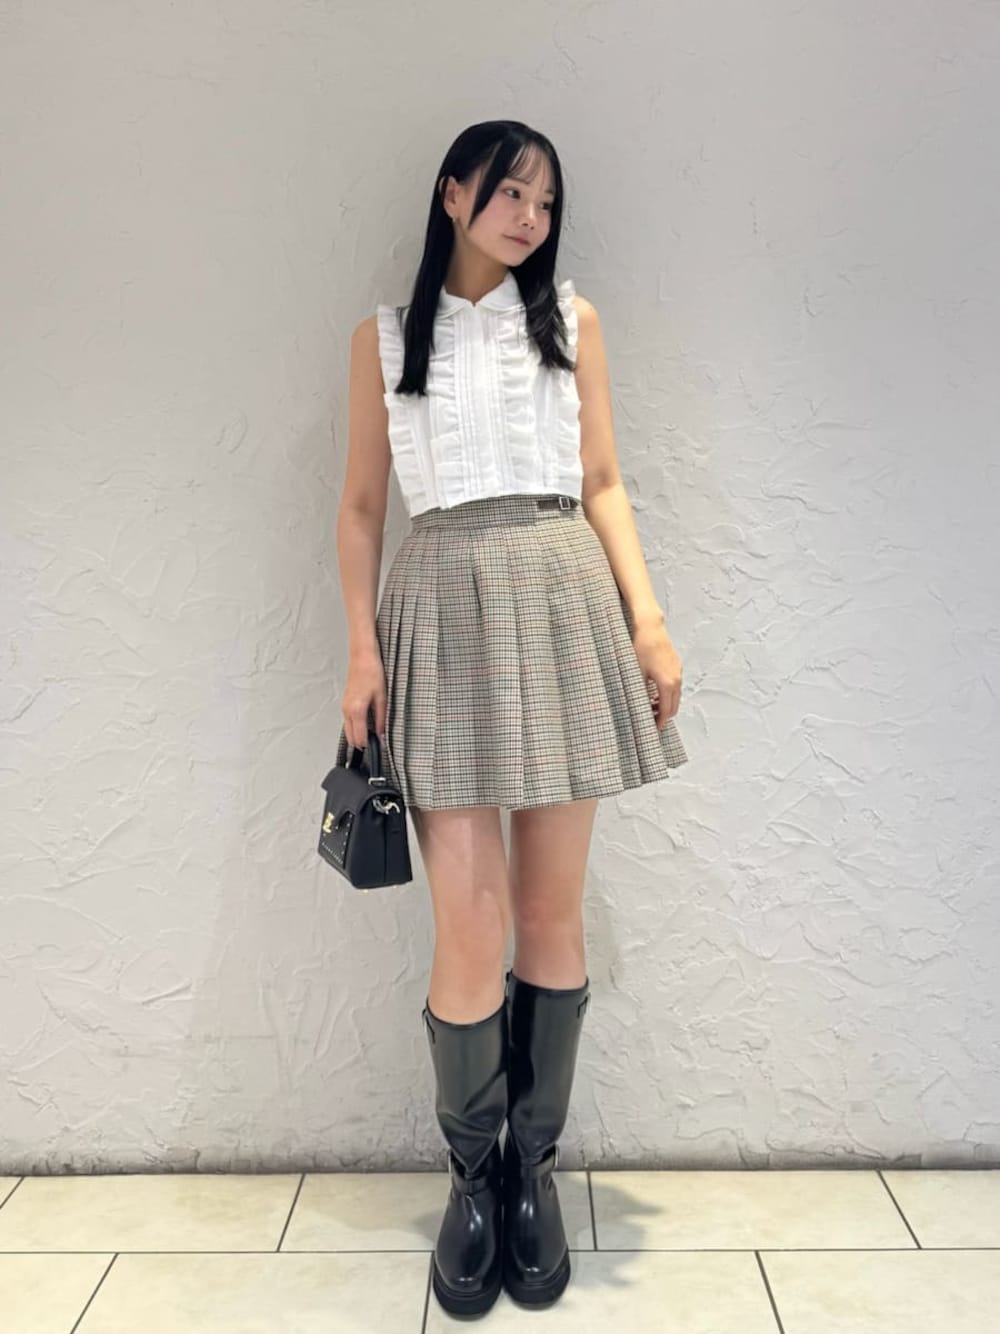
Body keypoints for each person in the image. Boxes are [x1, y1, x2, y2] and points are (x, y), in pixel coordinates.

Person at [334, 120, 690, 1318]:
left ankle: (529, 1173)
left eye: (546, 202)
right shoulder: (384, 341)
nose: (530, 217)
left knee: (548, 912)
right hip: (438, 603)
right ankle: (470, 1183)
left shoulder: (572, 324)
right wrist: (359, 650)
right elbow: (359, 509)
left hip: (559, 593)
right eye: (509, 193)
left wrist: (648, 621)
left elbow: (603, 483)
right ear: (452, 194)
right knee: (470, 922)